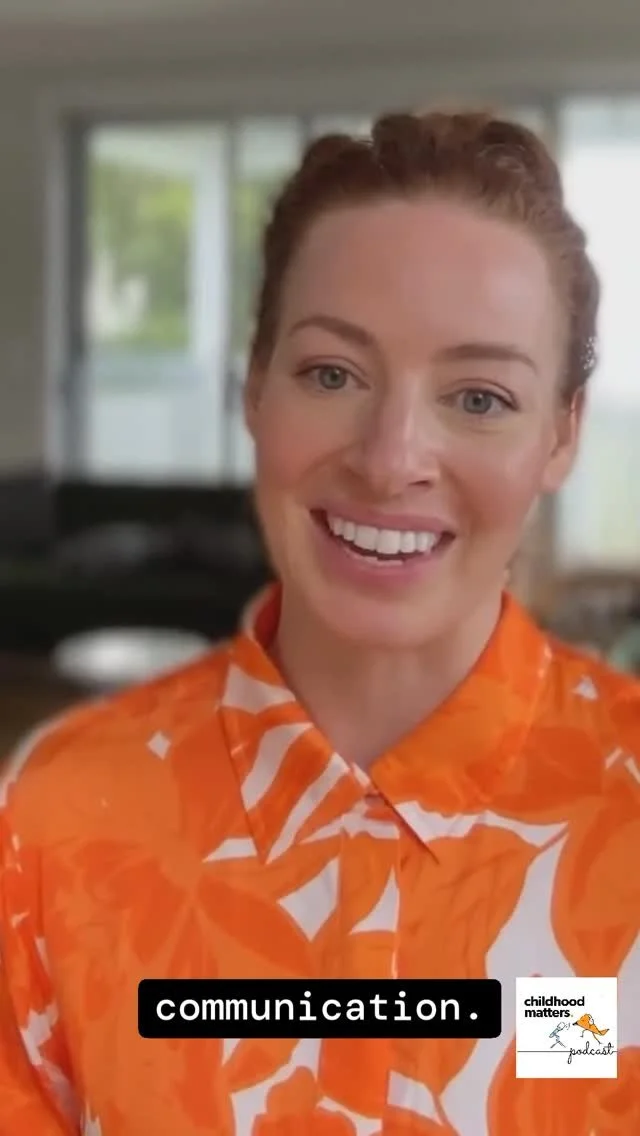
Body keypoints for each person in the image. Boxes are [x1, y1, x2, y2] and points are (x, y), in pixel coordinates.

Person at [0, 109, 638, 1136]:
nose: (390, 460)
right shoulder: (54, 819)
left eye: (479, 397)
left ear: (561, 435)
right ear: (254, 388)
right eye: (332, 374)